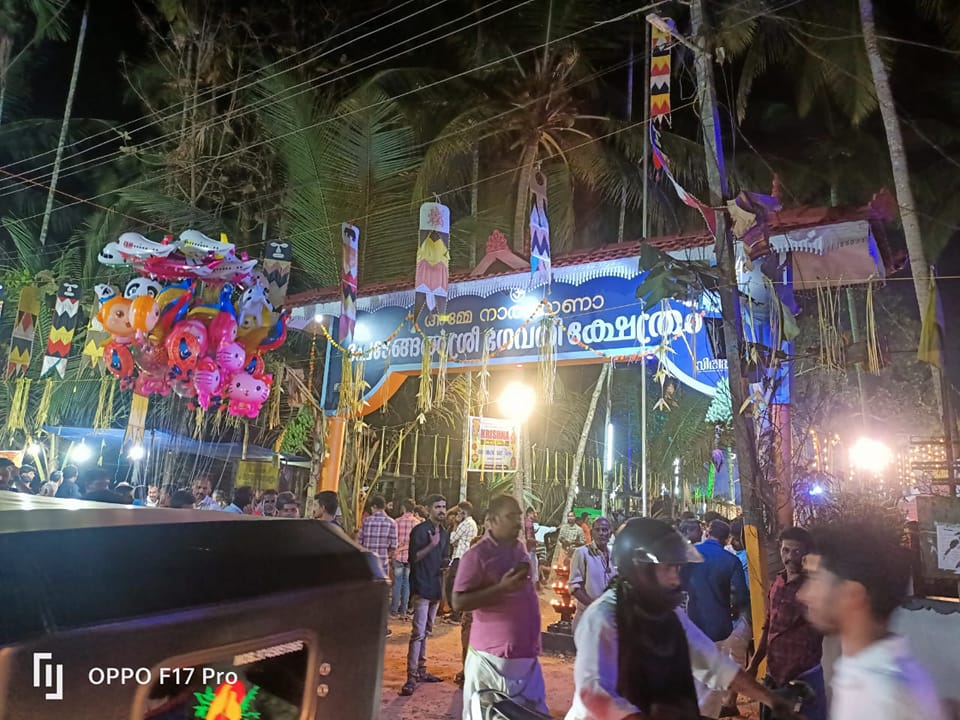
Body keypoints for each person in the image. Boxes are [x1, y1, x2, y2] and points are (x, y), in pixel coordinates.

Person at [566, 518, 802, 720]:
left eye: (678, 569)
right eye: (668, 569)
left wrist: (771, 699)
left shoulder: (668, 616)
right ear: (639, 568)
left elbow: (713, 663)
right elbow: (595, 693)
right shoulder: (603, 617)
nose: (676, 579)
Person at [799, 524, 946, 720]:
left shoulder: (880, 696)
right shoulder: (862, 675)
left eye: (816, 579)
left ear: (852, 595)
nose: (803, 595)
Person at [453, 495, 547, 719]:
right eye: (510, 517)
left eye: (519, 516)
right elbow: (458, 602)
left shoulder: (519, 549)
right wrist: (501, 588)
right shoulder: (476, 556)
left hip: (526, 659)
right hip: (491, 662)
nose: (517, 522)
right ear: (491, 521)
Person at [747, 526, 825, 720]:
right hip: (774, 677)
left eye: (797, 552)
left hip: (805, 680)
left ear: (808, 555)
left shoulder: (814, 588)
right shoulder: (778, 583)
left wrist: (814, 570)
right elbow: (769, 626)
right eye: (785, 550)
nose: (790, 557)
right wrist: (755, 664)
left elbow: (824, 622)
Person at [682, 519, 750, 717]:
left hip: (692, 622)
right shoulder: (731, 561)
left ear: (707, 531)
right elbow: (740, 597)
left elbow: (679, 586)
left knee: (695, 673)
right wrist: (734, 612)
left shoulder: (690, 554)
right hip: (720, 627)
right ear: (727, 537)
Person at [401, 494, 449, 697]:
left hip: (435, 587)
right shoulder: (419, 531)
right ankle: (411, 676)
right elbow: (414, 558)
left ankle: (421, 670)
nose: (442, 510)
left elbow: (444, 558)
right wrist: (431, 544)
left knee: (427, 631)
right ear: (429, 509)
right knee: (418, 633)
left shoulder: (445, 533)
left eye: (444, 507)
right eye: (438, 506)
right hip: (421, 586)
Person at [569, 516, 615, 634]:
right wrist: (595, 607)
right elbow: (574, 587)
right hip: (586, 620)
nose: (601, 533)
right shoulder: (582, 553)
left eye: (605, 530)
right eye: (597, 530)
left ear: (610, 533)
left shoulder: (615, 555)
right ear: (591, 533)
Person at [445, 500, 478, 623]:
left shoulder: (464, 524)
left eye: (459, 512)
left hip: (460, 557)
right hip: (464, 557)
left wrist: (455, 524)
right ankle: (456, 612)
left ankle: (456, 614)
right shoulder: (472, 523)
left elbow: (452, 539)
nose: (457, 514)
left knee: (452, 585)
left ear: (463, 512)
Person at [357, 495, 397, 579]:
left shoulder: (366, 521)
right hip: (382, 563)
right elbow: (393, 546)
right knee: (382, 590)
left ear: (374, 506)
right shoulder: (392, 523)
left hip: (367, 563)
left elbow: (359, 542)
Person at [392, 498, 418, 620]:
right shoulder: (417, 523)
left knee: (397, 582)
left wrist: (397, 550)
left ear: (403, 508)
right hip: (410, 557)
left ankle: (394, 610)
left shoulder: (396, 522)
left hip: (397, 556)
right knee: (407, 583)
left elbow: (393, 540)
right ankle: (403, 610)